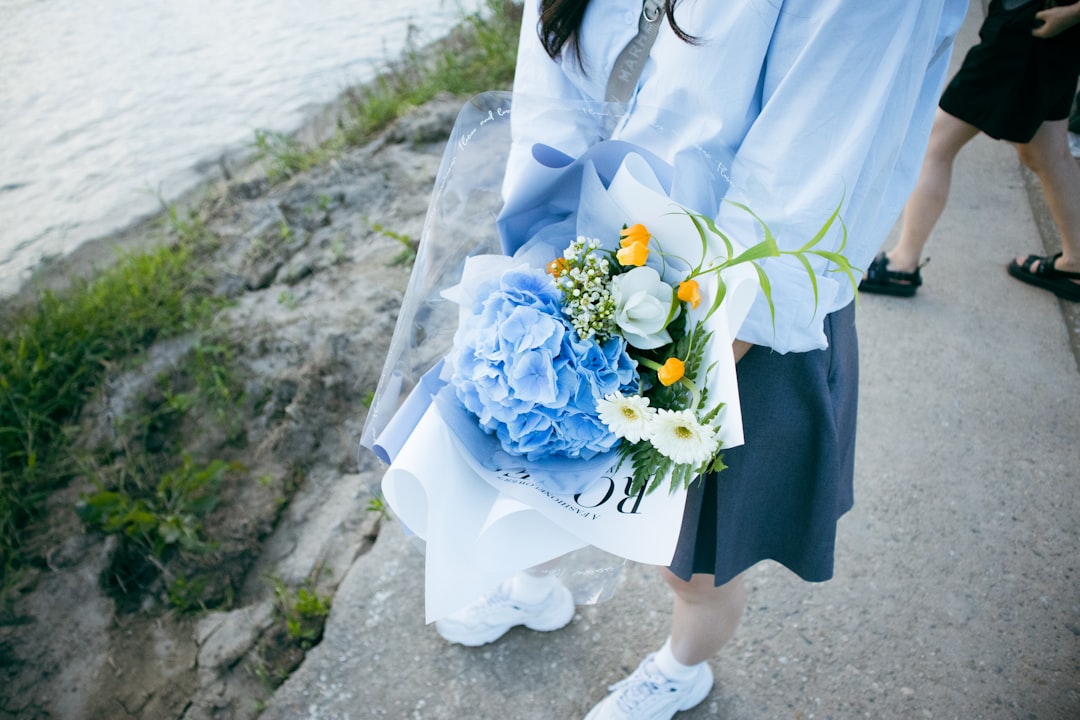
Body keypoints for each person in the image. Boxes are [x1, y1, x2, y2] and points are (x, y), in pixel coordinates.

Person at [432, 1, 967, 718]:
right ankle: (534, 587)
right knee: (538, 465)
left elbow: (820, 145)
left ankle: (683, 667)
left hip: (730, 302)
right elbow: (549, 87)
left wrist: (706, 334)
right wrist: (547, 248)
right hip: (580, 253)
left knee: (692, 558)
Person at [861, 0, 1080, 301]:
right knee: (1046, 151)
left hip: (1033, 23)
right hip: (1044, 25)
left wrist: (1073, 13)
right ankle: (1076, 260)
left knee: (936, 143)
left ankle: (903, 263)